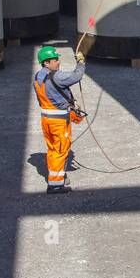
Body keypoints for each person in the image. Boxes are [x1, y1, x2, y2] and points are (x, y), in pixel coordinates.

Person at [34, 45, 86, 193]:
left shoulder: (38, 77)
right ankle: (55, 185)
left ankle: (58, 177)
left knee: (52, 149)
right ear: (46, 63)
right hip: (59, 121)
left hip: (46, 119)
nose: (58, 62)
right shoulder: (56, 76)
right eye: (55, 60)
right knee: (60, 150)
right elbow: (76, 76)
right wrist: (80, 63)